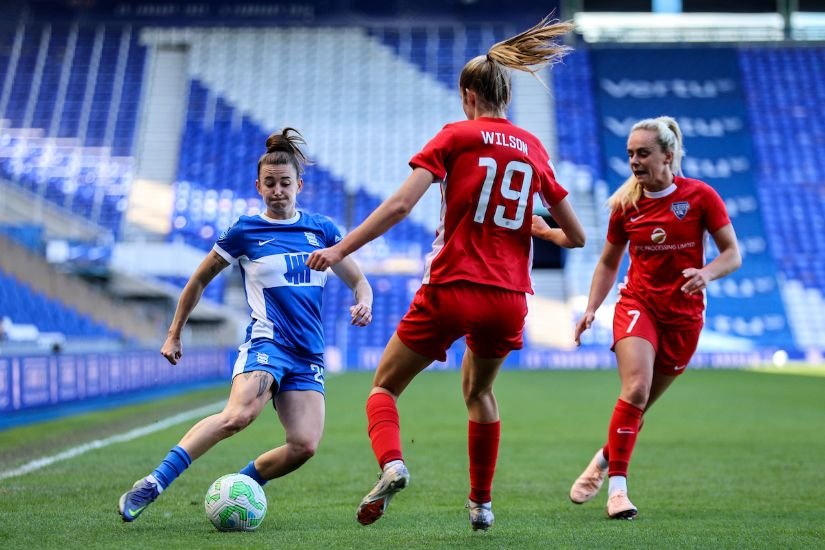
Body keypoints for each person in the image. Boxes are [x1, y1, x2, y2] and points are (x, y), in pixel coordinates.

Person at [306, 15, 585, 531]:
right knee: (479, 394)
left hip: (453, 285)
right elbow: (578, 236)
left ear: (467, 96)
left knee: (384, 388)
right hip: (508, 298)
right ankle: (481, 504)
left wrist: (340, 247)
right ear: (506, 94)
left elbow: (399, 206)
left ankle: (392, 464)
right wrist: (543, 231)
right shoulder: (533, 147)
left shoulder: (455, 136)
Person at [118, 128, 373, 522]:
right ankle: (154, 482)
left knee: (304, 446)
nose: (277, 191)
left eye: (285, 183)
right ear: (258, 187)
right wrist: (173, 333)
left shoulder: (321, 230)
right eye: (269, 183)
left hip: (308, 354)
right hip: (267, 345)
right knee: (237, 416)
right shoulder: (245, 231)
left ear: (299, 185)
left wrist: (364, 301)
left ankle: (241, 484)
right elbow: (198, 280)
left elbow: (358, 280)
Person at [569, 116, 742, 519]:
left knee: (638, 407)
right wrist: (592, 308)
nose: (634, 161)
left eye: (643, 153)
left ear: (668, 155)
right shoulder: (625, 206)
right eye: (630, 153)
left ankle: (603, 459)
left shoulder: (700, 196)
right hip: (638, 305)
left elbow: (732, 254)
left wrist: (706, 274)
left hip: (684, 317)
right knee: (635, 391)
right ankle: (618, 492)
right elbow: (608, 263)